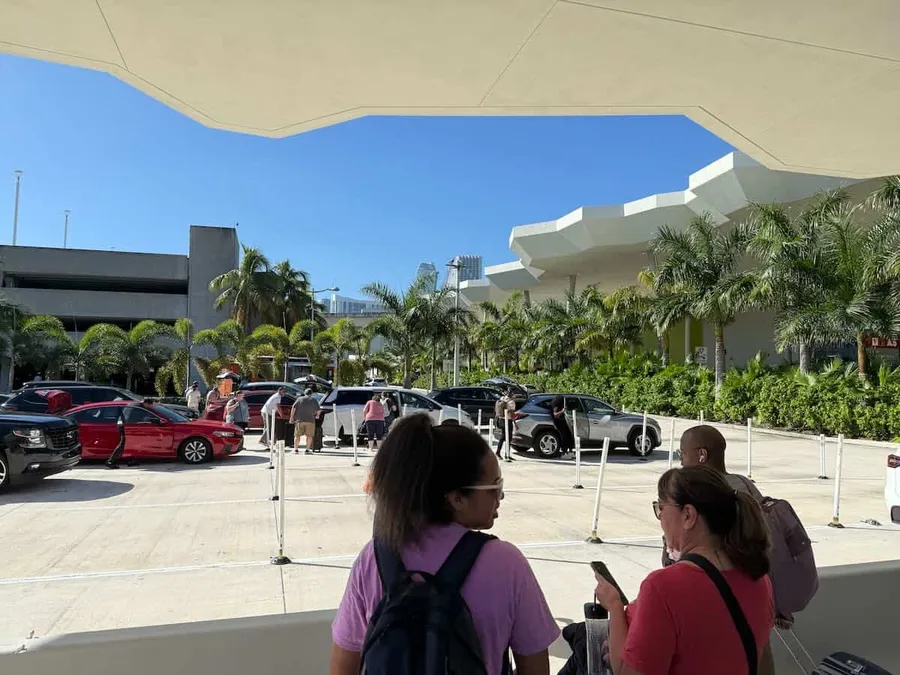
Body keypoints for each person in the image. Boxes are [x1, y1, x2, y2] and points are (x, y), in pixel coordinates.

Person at [330, 415, 559, 675]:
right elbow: (535, 668)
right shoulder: (507, 563)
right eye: (494, 486)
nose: (501, 496)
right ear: (457, 498)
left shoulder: (373, 558)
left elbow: (342, 667)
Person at [592, 465, 774, 675]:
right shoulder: (759, 579)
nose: (660, 519)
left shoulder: (662, 587)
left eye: (661, 508)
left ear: (688, 515)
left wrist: (614, 606)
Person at [290, 388, 320, 454]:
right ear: (311, 394)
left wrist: (291, 418)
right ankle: (307, 450)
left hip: (299, 420)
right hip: (310, 421)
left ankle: (296, 450)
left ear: (304, 393)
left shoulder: (299, 399)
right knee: (309, 436)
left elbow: (293, 408)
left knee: (297, 435)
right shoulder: (314, 400)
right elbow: (318, 410)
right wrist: (317, 416)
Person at [493, 388, 516, 459]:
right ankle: (506, 454)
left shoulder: (502, 398)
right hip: (507, 420)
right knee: (509, 438)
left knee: (503, 437)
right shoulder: (511, 402)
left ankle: (499, 452)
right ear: (512, 394)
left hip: (500, 420)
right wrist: (515, 423)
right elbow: (511, 414)